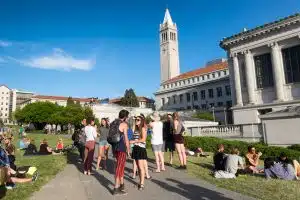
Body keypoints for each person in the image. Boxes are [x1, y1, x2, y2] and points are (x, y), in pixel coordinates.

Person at [111, 110, 130, 195]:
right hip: (121, 147)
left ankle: (122, 184)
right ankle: (116, 188)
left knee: (119, 166)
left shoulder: (113, 122)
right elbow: (126, 138)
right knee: (119, 167)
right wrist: (128, 149)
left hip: (114, 147)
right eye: (127, 117)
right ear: (125, 117)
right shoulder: (124, 124)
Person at [130, 115, 148, 190]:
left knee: (141, 167)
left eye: (138, 120)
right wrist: (134, 121)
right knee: (138, 166)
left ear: (142, 121)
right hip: (135, 148)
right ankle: (140, 182)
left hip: (141, 148)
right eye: (136, 120)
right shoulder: (136, 129)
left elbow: (143, 139)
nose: (136, 121)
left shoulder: (143, 128)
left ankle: (142, 184)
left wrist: (134, 141)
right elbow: (132, 130)